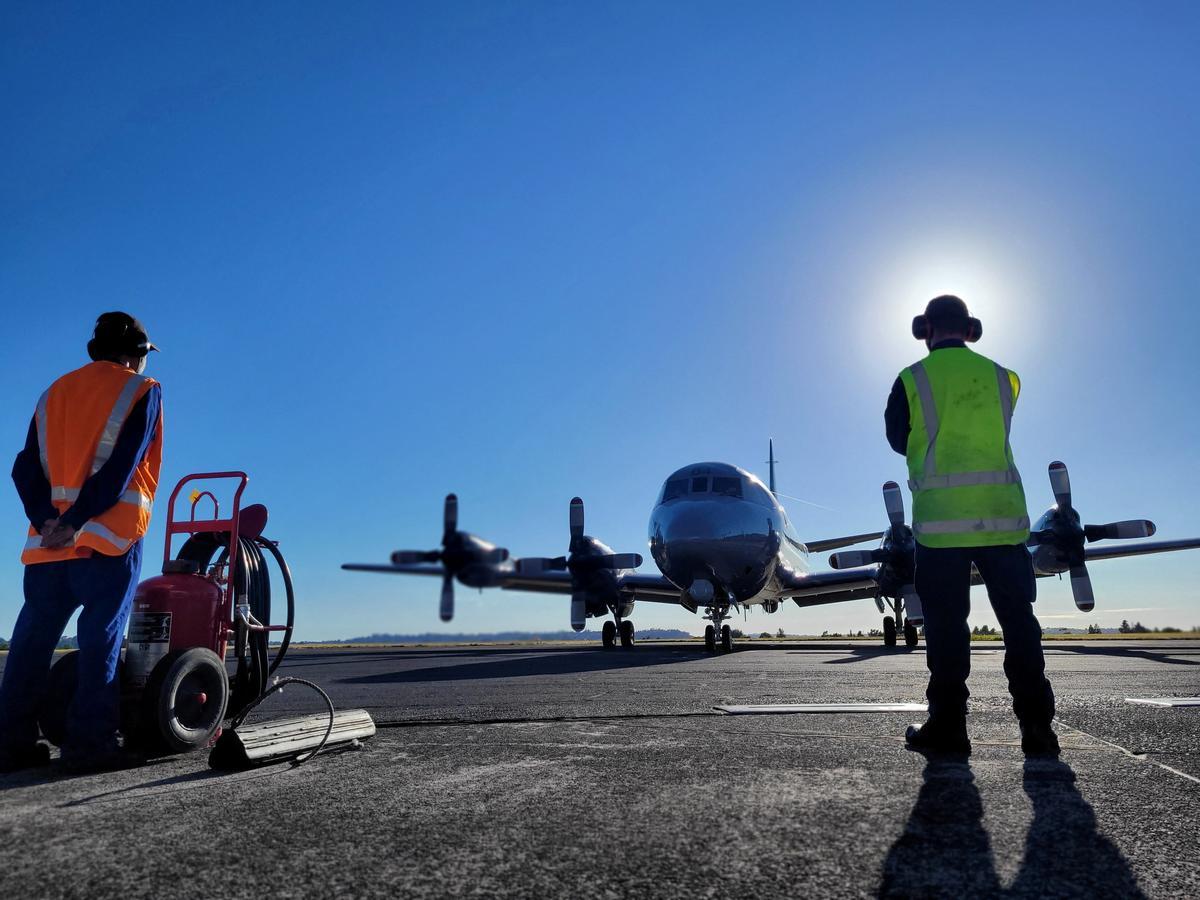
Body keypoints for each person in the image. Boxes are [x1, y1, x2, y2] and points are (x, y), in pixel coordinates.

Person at [884, 295, 1058, 756]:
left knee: (946, 628)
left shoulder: (912, 378)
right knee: (1019, 623)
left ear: (924, 331)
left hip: (941, 526)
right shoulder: (1005, 377)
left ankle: (949, 728)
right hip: (1002, 521)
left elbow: (897, 440)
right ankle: (1038, 728)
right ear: (972, 330)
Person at [0, 312, 163, 773]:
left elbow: (23, 467)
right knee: (100, 637)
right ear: (135, 356)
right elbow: (123, 467)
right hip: (107, 539)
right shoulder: (142, 391)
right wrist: (76, 519)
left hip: (48, 545)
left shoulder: (54, 393)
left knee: (32, 638)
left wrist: (46, 519)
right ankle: (90, 744)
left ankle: (9, 744)